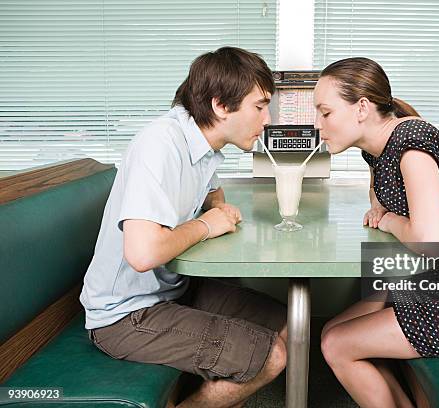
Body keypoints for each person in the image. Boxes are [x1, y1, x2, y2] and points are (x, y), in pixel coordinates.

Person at [79, 47, 287, 408]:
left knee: (290, 324)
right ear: (221, 105)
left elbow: (212, 191)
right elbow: (142, 253)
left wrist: (217, 207)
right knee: (272, 356)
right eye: (259, 106)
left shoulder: (202, 143)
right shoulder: (159, 143)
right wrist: (207, 225)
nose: (267, 119)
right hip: (125, 315)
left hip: (173, 292)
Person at [314, 57, 439, 408]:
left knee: (337, 345)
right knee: (330, 332)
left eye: (325, 112)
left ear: (362, 108)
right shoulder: (378, 148)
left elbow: (430, 241)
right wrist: (383, 208)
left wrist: (391, 221)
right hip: (432, 285)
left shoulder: (413, 143)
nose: (318, 124)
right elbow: (380, 198)